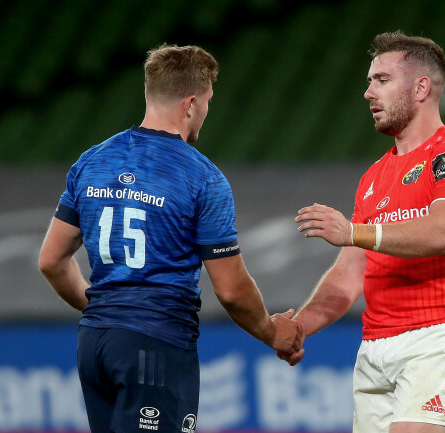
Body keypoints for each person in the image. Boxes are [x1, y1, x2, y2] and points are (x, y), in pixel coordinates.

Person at [39, 44, 303, 433]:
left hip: (94, 343)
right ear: (192, 103)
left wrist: (107, 314)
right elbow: (230, 289)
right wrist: (272, 331)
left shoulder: (92, 161)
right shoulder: (202, 177)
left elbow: (51, 260)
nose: (207, 112)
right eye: (209, 101)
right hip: (156, 345)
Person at [279, 31, 445, 433]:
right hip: (375, 348)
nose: (367, 92)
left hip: (437, 336)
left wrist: (356, 232)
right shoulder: (375, 176)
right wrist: (298, 328)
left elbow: (444, 232)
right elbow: (348, 276)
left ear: (421, 88)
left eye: (381, 80)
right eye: (369, 80)